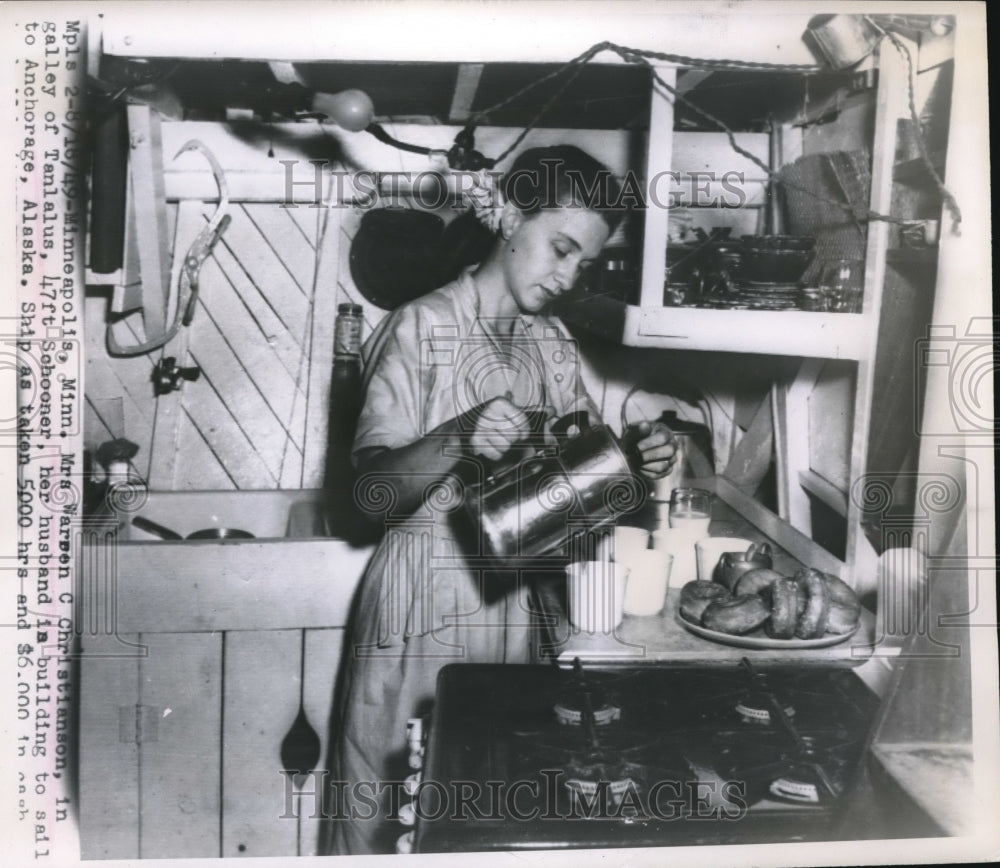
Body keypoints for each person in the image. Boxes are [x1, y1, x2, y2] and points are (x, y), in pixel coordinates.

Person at [320, 145, 677, 855]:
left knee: (493, 824)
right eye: (561, 249)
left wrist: (636, 466)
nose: (568, 276)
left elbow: (577, 495)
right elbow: (364, 498)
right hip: (422, 606)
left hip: (519, 604)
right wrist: (458, 436)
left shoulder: (551, 345)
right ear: (510, 219)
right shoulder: (423, 325)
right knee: (398, 822)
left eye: (585, 263)